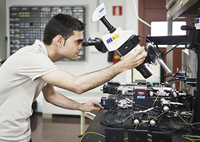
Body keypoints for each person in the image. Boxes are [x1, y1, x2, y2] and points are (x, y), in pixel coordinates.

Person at [0, 14, 147, 142]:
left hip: (22, 134)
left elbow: (51, 95)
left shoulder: (42, 59)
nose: (81, 47)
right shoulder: (32, 57)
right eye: (77, 42)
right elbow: (77, 85)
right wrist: (122, 66)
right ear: (59, 41)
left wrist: (80, 106)